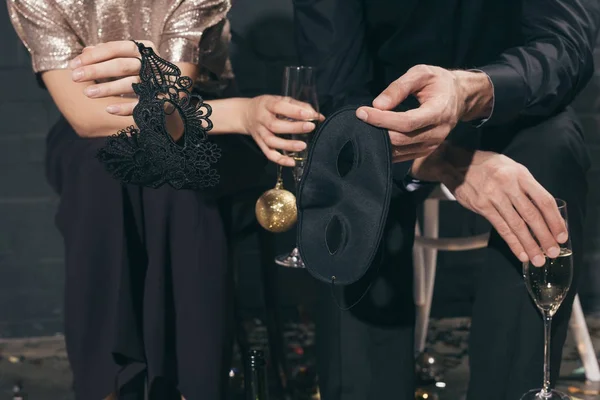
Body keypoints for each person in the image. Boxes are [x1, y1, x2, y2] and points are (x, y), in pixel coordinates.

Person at [7, 0, 322, 399]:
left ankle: (180, 382)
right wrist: (239, 113)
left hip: (195, 127)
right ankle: (116, 384)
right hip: (100, 136)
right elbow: (86, 118)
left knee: (173, 170)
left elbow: (170, 114)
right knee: (104, 164)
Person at [292, 0, 599, 399]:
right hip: (386, 118)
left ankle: (515, 390)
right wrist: (448, 163)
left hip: (509, 102)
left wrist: (471, 90)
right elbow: (337, 92)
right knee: (350, 167)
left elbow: (565, 45)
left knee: (555, 151)